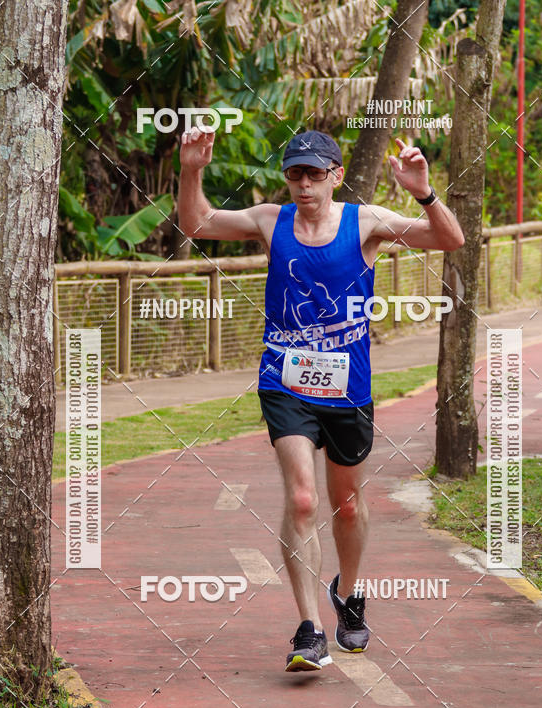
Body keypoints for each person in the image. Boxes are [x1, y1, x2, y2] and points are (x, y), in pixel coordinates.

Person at [178, 128, 464, 673]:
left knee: (347, 503)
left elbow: (450, 240)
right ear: (286, 178)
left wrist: (425, 193)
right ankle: (309, 630)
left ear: (335, 175)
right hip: (284, 380)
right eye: (295, 174)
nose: (304, 184)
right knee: (303, 501)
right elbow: (198, 223)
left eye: (314, 173)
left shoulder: (368, 222)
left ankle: (348, 595)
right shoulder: (271, 220)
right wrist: (192, 169)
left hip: (348, 389)